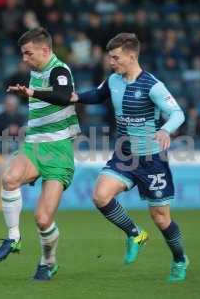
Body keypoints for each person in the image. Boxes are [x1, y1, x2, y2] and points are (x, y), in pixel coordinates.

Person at [71, 33, 188, 282]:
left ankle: (179, 260)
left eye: (115, 57)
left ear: (132, 56)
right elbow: (97, 94)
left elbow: (178, 113)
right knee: (100, 196)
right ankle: (135, 233)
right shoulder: (113, 79)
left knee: (161, 218)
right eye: (110, 57)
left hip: (151, 160)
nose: (111, 62)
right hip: (124, 155)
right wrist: (76, 97)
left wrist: (165, 130)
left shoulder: (152, 86)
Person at [0, 27, 80, 281]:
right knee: (9, 178)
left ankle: (48, 261)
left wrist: (31, 93)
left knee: (42, 219)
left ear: (45, 50)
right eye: (22, 54)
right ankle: (13, 238)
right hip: (34, 145)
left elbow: (64, 96)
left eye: (28, 53)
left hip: (59, 150)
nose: (24, 59)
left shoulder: (59, 70)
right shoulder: (35, 72)